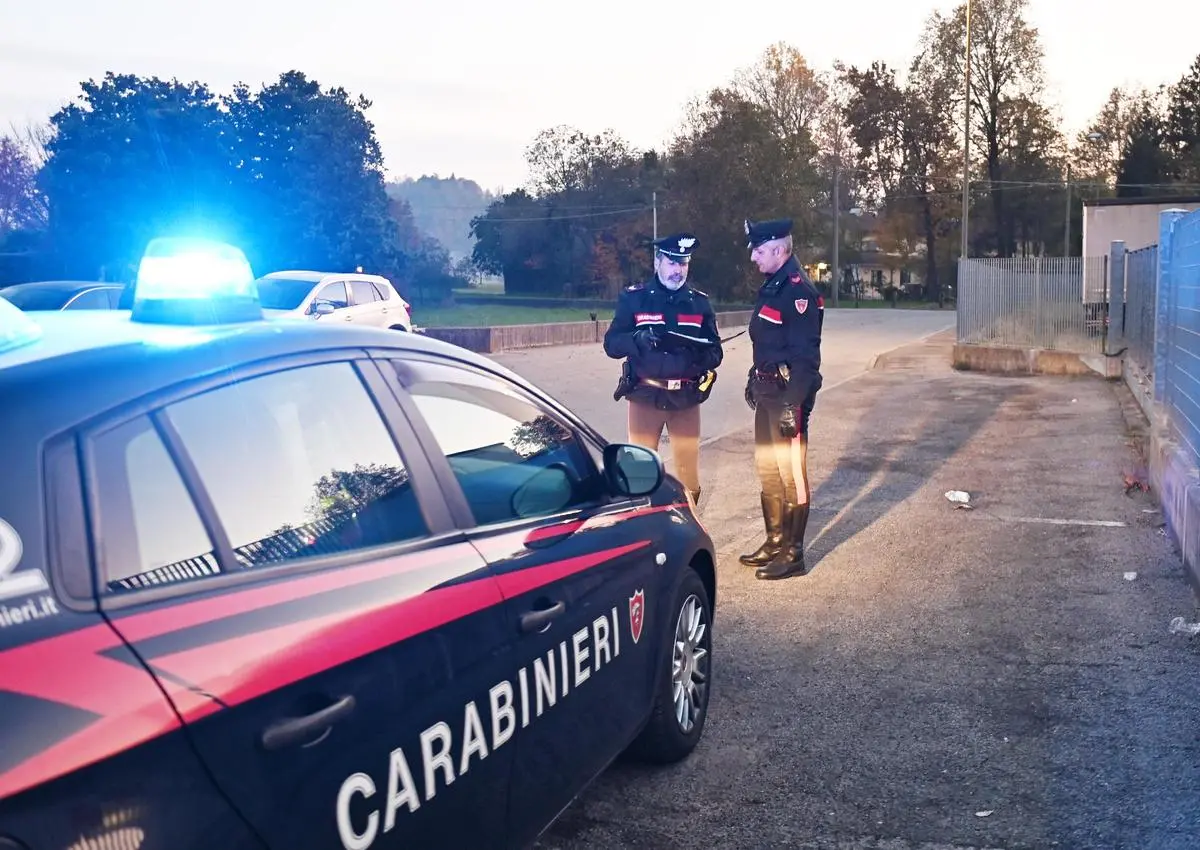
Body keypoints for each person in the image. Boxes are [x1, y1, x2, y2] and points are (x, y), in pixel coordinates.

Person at [603, 232, 723, 507]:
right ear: (658, 262)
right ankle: (645, 535)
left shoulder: (699, 303)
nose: (678, 270)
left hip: (686, 400)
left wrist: (694, 355)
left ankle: (688, 533)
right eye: (672, 262)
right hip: (646, 397)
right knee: (640, 474)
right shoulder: (635, 300)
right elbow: (611, 344)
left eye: (684, 263)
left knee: (688, 477)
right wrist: (637, 340)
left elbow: (716, 352)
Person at [738, 217, 824, 580]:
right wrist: (754, 377)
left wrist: (793, 404)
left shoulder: (798, 291)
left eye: (758, 251)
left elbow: (807, 359)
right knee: (767, 469)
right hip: (767, 391)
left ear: (777, 249)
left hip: (789, 396)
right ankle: (774, 541)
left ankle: (793, 553)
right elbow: (769, 343)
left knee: (792, 476)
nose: (754, 258)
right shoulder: (772, 286)